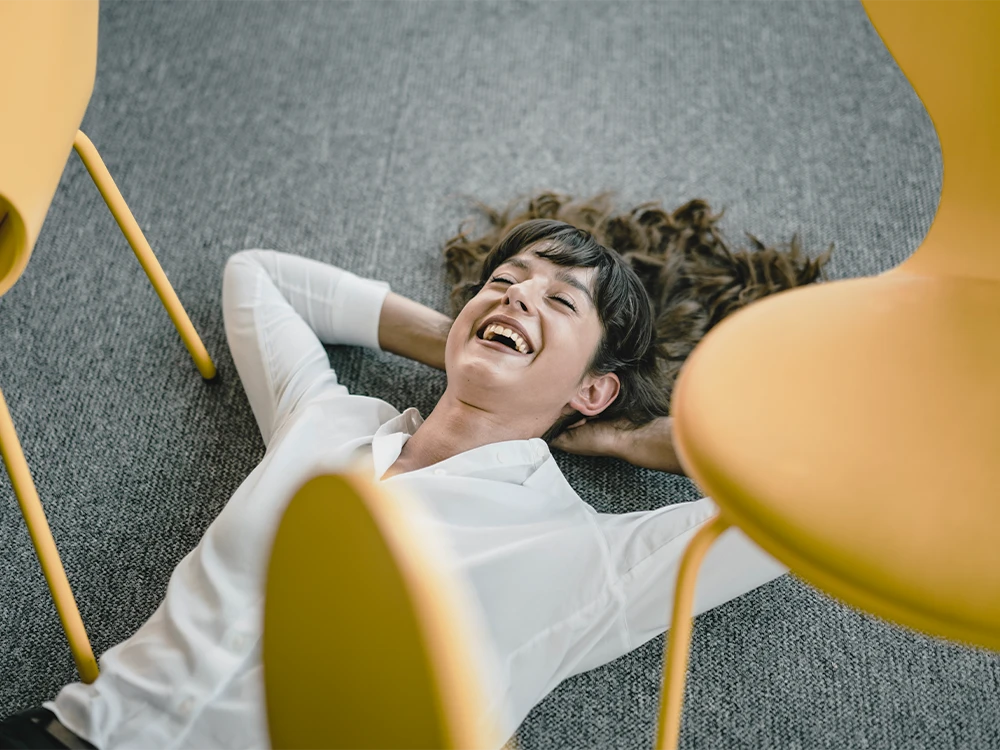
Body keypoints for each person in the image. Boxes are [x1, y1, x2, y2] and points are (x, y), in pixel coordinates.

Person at [1, 197, 829, 749]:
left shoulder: (588, 559)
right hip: (71, 732)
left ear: (595, 387)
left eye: (560, 302)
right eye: (505, 283)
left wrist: (637, 442)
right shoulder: (326, 420)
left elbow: (810, 503)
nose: (518, 298)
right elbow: (257, 276)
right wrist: (471, 335)